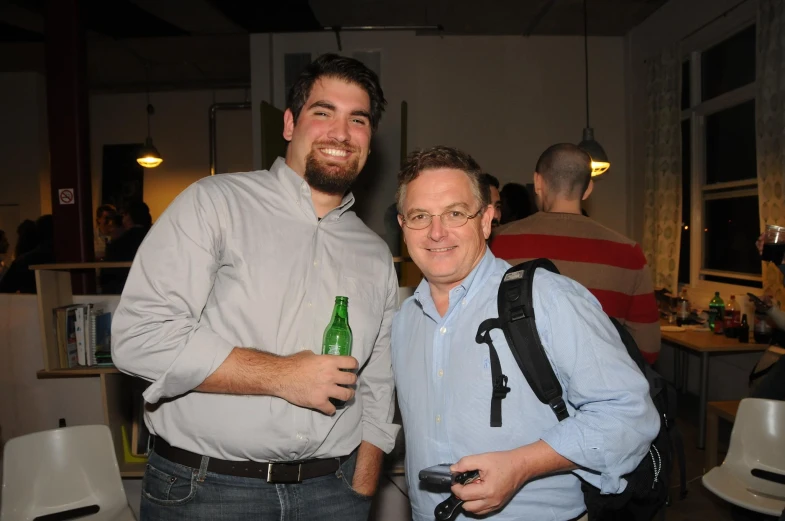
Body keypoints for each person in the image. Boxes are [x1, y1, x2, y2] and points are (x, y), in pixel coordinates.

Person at [111, 54, 399, 520]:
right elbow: (138, 338)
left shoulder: (375, 253)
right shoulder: (214, 204)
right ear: (289, 123)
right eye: (323, 112)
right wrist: (283, 375)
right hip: (209, 491)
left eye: (358, 120)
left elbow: (379, 379)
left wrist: (363, 479)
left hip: (334, 492)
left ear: (370, 139)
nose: (341, 133)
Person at [392, 145, 659, 521]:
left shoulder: (549, 298)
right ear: (403, 226)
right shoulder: (405, 321)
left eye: (455, 213)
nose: (437, 232)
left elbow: (630, 415)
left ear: (486, 220)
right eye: (420, 216)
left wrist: (522, 465)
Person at [492, 144, 661, 364]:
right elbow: (647, 349)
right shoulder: (628, 252)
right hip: (601, 390)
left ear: (538, 182)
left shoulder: (497, 242)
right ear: (588, 188)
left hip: (515, 389)